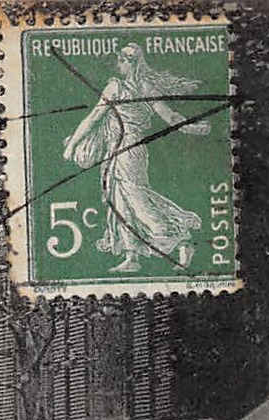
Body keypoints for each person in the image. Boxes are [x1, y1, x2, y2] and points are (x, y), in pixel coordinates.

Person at [61, 43, 209, 273]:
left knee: (137, 199)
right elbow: (170, 116)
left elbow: (93, 118)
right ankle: (132, 256)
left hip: (127, 149)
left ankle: (181, 238)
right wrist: (189, 127)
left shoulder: (116, 87)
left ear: (131, 63)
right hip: (124, 149)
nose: (118, 64)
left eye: (121, 60)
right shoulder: (144, 86)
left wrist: (72, 145)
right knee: (120, 201)